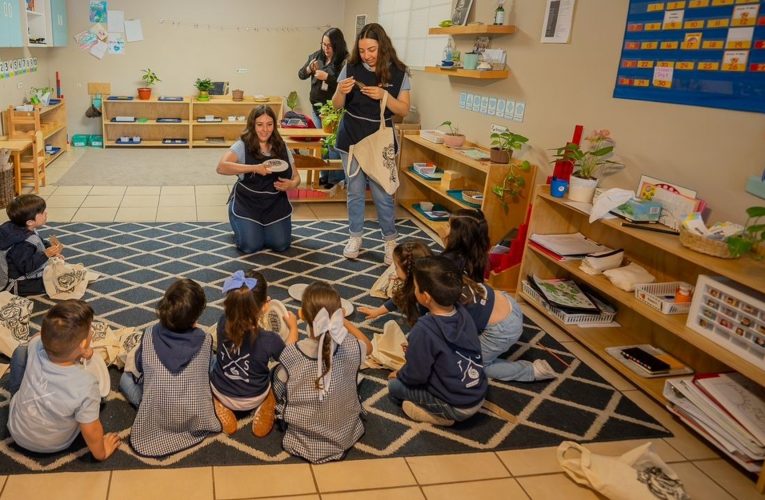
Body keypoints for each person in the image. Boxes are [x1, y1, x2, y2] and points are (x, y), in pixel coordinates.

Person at [332, 23, 411, 266]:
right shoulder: (351, 67)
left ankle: (390, 241)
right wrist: (341, 91)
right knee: (355, 192)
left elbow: (404, 111)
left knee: (383, 192)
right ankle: (355, 237)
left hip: (379, 138)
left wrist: (383, 95)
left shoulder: (399, 72)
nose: (366, 55)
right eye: (363, 50)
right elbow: (336, 105)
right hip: (352, 139)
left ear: (383, 46)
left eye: (372, 49)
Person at [7, 300, 120, 460]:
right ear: (82, 344)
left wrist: (78, 351)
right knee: (94, 400)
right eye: (90, 329)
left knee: (21, 351)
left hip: (17, 430)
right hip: (53, 443)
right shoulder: (87, 383)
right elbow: (91, 430)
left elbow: (37, 337)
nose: (92, 331)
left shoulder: (37, 346)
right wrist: (102, 452)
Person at [273, 281, 372, 463]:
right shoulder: (352, 346)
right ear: (340, 315)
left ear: (301, 314)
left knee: (278, 376)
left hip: (302, 437)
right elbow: (369, 346)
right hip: (345, 434)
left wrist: (293, 328)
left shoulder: (293, 354)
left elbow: (286, 355)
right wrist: (346, 323)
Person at [122, 278, 221, 457]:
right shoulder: (205, 339)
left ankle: (151, 405)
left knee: (125, 379)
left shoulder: (150, 334)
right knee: (212, 361)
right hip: (193, 413)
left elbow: (139, 367)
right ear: (195, 318)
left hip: (158, 412)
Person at [387, 256, 487, 426]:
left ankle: (440, 416)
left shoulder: (424, 329)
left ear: (425, 297)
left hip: (456, 405)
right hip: (477, 393)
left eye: (416, 287)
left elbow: (416, 374)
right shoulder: (463, 313)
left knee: (394, 387)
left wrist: (399, 374)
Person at [210, 269, 298, 438]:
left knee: (213, 360)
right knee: (280, 372)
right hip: (255, 395)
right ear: (265, 306)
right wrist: (293, 327)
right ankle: (266, 403)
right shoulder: (270, 339)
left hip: (221, 390)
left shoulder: (222, 323)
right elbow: (290, 356)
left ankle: (219, 403)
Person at [217, 105, 301, 254]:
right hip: (247, 205)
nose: (265, 129)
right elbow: (221, 167)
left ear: (274, 125)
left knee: (281, 245)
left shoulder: (282, 146)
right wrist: (254, 168)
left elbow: (296, 177)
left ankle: (262, 230)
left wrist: (291, 184)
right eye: (260, 125)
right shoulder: (242, 145)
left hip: (274, 205)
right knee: (251, 246)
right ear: (252, 125)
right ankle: (243, 225)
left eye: (269, 124)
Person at [298, 27, 348, 188]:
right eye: (323, 44)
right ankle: (324, 175)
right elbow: (301, 74)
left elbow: (345, 84)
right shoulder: (316, 56)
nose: (325, 49)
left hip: (333, 109)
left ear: (337, 45)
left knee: (333, 144)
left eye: (329, 46)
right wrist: (309, 69)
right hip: (316, 107)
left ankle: (334, 179)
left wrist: (327, 77)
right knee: (322, 143)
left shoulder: (344, 60)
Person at [358, 240, 432, 325]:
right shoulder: (416, 283)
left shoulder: (425, 294)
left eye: (396, 267)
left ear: (409, 271)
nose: (394, 270)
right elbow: (399, 298)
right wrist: (377, 312)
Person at [0, 194, 63, 296]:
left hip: (17, 270)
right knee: (58, 280)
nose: (45, 213)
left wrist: (50, 250)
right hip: (16, 283)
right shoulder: (22, 243)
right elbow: (27, 267)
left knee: (57, 269)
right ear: (30, 222)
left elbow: (38, 241)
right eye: (42, 213)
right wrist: (46, 254)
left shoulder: (15, 226)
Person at [441, 208, 490, 283]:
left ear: (458, 234)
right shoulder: (479, 256)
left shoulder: (448, 260)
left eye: (448, 226)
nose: (445, 227)